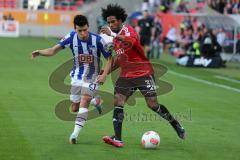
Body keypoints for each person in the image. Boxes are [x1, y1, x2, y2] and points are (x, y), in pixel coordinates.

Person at [100, 4, 185, 148]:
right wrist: (103, 73)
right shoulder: (114, 41)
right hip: (126, 75)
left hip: (143, 72)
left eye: (113, 21)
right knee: (118, 102)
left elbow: (130, 42)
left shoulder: (129, 31)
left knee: (152, 104)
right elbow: (118, 60)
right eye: (108, 22)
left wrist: (112, 34)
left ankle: (175, 124)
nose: (110, 24)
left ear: (120, 20)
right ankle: (118, 139)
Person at [31, 15, 112, 144]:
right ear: (75, 29)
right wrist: (40, 52)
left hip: (92, 76)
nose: (83, 33)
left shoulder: (98, 40)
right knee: (74, 108)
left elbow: (110, 58)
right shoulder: (70, 38)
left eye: (85, 29)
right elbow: (53, 50)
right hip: (76, 76)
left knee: (84, 99)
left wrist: (104, 74)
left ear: (88, 27)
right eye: (80, 30)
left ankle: (74, 135)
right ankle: (95, 100)